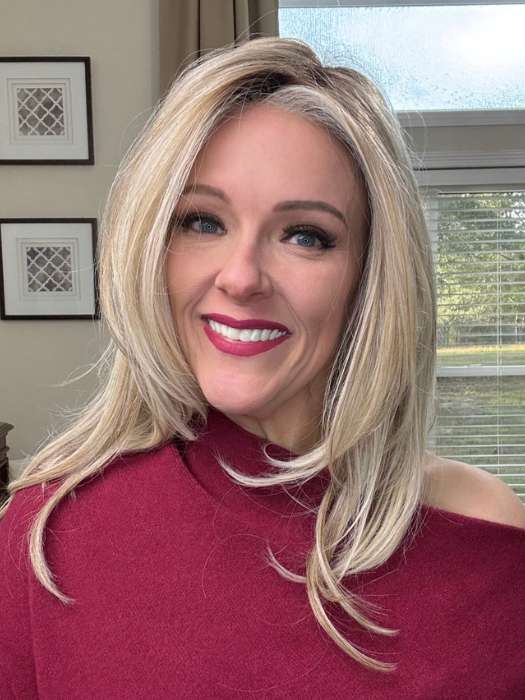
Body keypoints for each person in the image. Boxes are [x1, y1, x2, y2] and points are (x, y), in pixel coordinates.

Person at [1, 36, 524, 699]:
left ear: (368, 276)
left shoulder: (483, 530)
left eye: (305, 235)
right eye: (202, 222)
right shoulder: (50, 529)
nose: (242, 276)